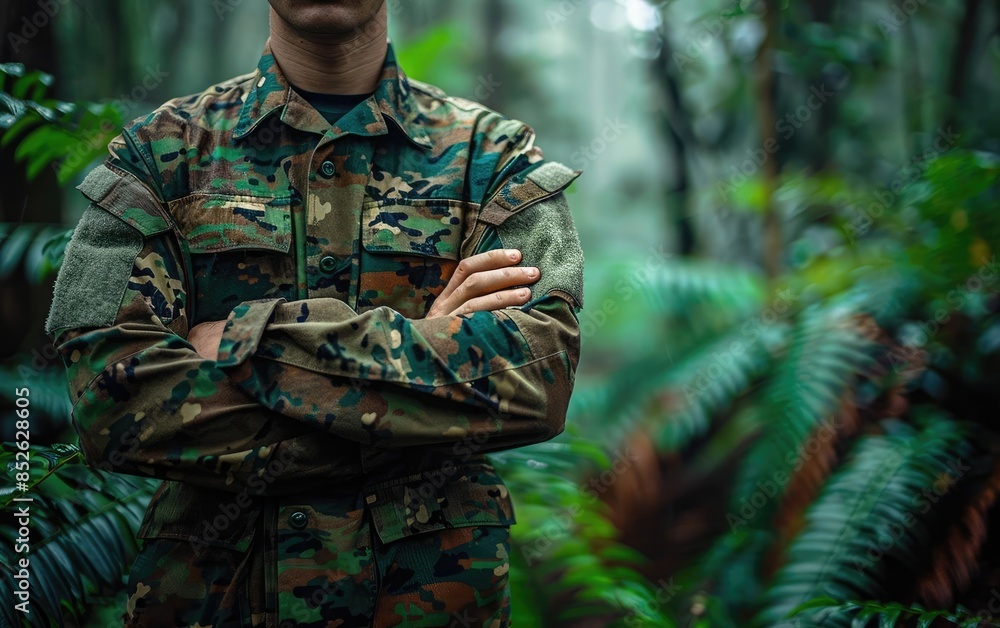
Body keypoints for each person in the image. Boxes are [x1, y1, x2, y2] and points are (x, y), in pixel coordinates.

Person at [45, 0, 584, 625]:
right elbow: (113, 405)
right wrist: (422, 358)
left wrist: (253, 341)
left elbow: (537, 381)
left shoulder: (492, 160)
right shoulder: (161, 155)